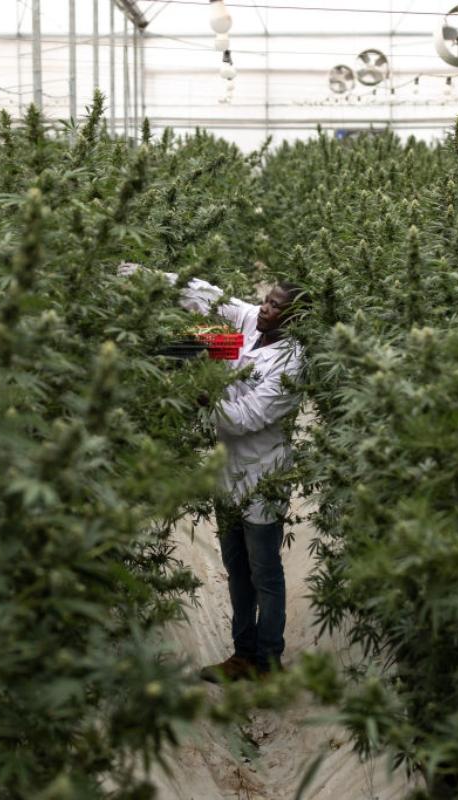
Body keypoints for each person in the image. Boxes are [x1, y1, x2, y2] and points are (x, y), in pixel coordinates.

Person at [119, 264, 306, 682]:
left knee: (264, 570)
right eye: (267, 299)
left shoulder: (291, 363)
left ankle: (269, 659)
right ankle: (242, 655)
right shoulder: (246, 327)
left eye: (276, 306)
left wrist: (204, 397)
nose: (264, 306)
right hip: (227, 472)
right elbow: (207, 295)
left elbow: (245, 416)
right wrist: (141, 276)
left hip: (263, 476)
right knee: (236, 567)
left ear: (293, 319)